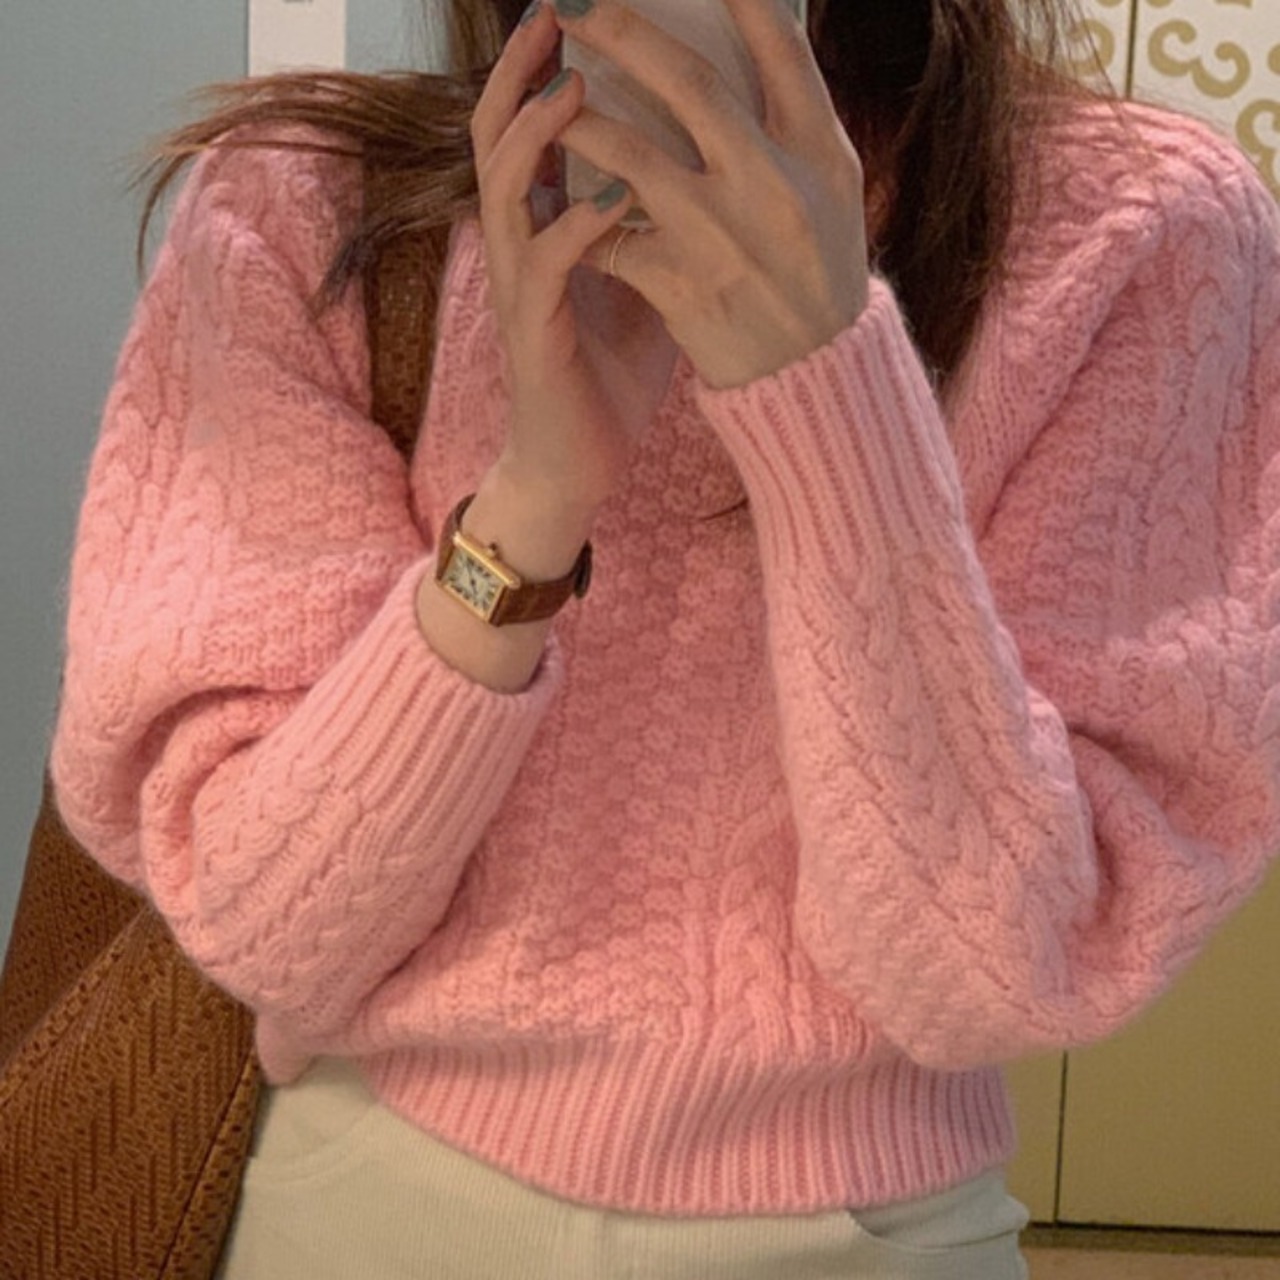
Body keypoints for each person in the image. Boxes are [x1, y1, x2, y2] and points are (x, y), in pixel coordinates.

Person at [49, 0, 1280, 1274]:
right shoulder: (304, 205)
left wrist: (830, 400)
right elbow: (266, 925)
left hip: (874, 1227)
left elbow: (996, 968)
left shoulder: (1139, 235)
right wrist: (531, 501)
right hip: (367, 1193)